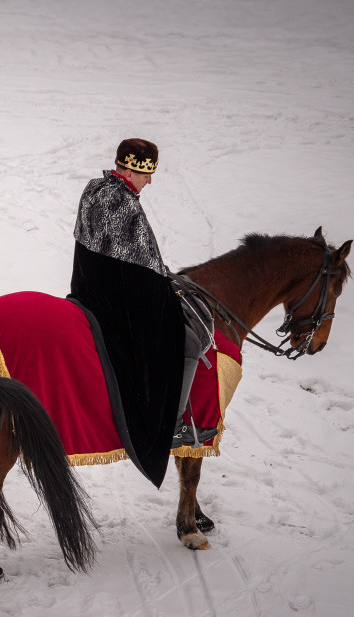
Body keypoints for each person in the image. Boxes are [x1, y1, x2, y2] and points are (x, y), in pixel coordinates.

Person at [67, 138, 212, 488]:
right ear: (131, 170)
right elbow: (136, 273)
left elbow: (127, 262)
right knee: (190, 341)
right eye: (147, 175)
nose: (150, 182)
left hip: (87, 289)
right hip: (113, 303)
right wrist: (163, 289)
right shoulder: (122, 204)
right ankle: (174, 425)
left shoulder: (95, 189)